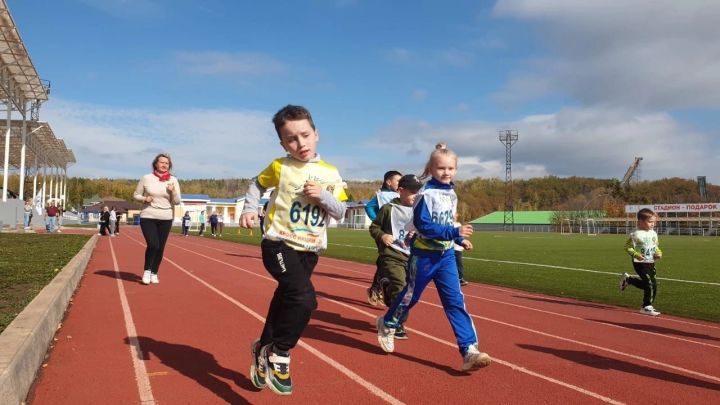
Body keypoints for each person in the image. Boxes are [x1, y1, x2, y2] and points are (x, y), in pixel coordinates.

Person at [240, 105, 348, 396]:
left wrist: (323, 195)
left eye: (305, 135)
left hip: (309, 249)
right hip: (279, 242)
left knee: (286, 300)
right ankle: (280, 354)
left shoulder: (331, 173)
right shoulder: (280, 166)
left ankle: (262, 348)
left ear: (316, 135)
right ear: (282, 143)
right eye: (291, 139)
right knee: (304, 299)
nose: (300, 144)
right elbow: (255, 184)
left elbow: (341, 211)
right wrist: (250, 209)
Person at [376, 143, 491, 372]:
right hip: (424, 256)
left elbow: (447, 223)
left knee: (455, 302)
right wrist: (454, 233)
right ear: (430, 168)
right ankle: (388, 322)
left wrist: (457, 240)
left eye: (450, 168)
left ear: (456, 170)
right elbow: (424, 226)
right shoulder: (425, 195)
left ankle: (469, 350)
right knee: (411, 297)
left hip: (446, 256)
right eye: (441, 168)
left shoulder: (452, 193)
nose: (446, 172)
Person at [369, 174, 423, 340]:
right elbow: (374, 227)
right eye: (412, 191)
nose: (416, 195)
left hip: (412, 256)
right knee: (400, 287)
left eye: (418, 191)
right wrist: (383, 236)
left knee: (409, 292)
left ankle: (387, 289)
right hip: (392, 254)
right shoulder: (388, 209)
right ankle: (397, 322)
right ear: (400, 190)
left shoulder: (421, 210)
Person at [133, 153, 182, 285]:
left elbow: (177, 202)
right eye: (162, 162)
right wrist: (144, 198)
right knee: (153, 244)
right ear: (156, 164)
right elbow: (136, 194)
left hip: (166, 217)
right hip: (148, 215)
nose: (164, 165)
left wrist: (173, 191)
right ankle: (147, 271)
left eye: (167, 163)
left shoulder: (173, 180)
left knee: (160, 247)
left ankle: (154, 272)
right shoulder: (146, 178)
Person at [365, 170, 402, 306]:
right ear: (388, 182)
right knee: (385, 260)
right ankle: (377, 289)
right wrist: (378, 221)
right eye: (398, 181)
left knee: (385, 261)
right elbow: (368, 207)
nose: (400, 183)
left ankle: (379, 288)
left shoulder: (401, 194)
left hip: (398, 233)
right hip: (384, 234)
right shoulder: (381, 196)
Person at [620, 208, 663, 316]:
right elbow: (627, 247)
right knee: (649, 284)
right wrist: (636, 254)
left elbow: (655, 246)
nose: (653, 224)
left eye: (654, 222)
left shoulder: (653, 233)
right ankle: (646, 306)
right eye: (650, 221)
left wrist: (659, 253)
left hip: (651, 262)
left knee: (652, 285)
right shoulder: (635, 234)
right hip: (640, 263)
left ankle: (629, 280)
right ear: (640, 221)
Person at [453, 215, 469, 286]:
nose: (454, 216)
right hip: (453, 247)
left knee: (458, 263)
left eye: (456, 214)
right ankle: (460, 278)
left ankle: (459, 278)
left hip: (458, 247)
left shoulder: (458, 224)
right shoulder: (450, 224)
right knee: (458, 263)